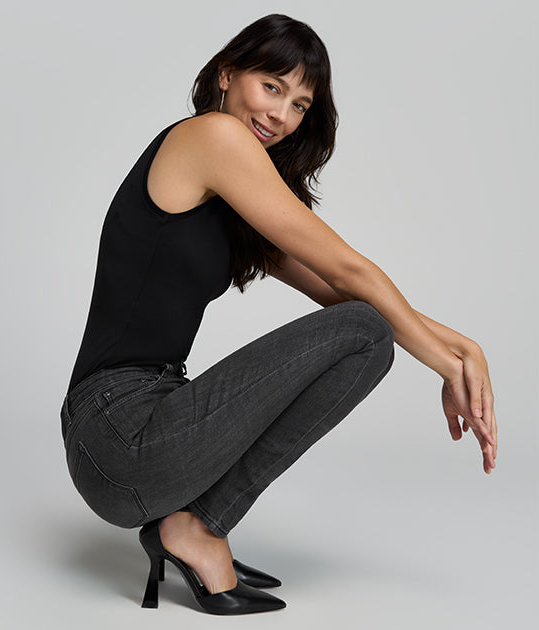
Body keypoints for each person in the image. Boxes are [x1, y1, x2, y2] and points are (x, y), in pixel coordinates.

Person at [61, 13, 496, 616]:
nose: (281, 116)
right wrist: (446, 365)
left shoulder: (237, 197)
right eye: (272, 87)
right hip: (115, 434)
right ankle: (196, 530)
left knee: (367, 335)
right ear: (226, 74)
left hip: (152, 423)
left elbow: (345, 297)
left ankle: (193, 526)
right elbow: (352, 274)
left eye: (299, 104)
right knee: (368, 331)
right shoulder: (211, 137)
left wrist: (463, 347)